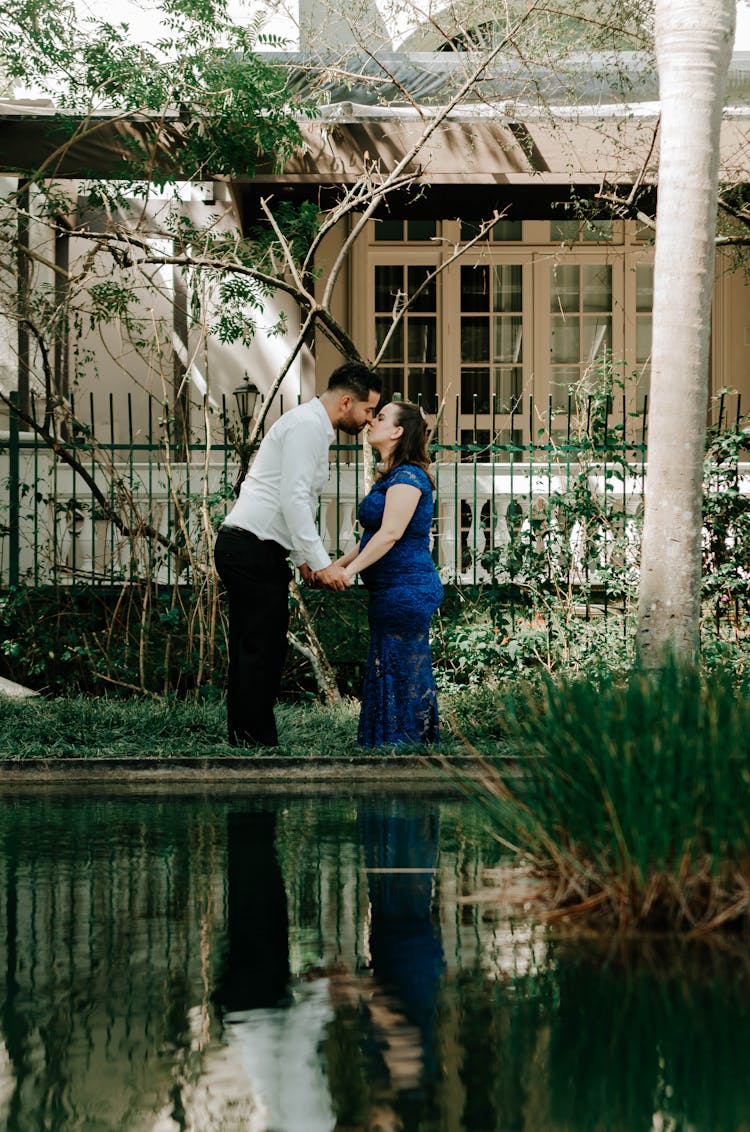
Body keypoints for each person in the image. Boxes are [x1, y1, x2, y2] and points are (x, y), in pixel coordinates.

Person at [214, 362, 382, 747]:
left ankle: (248, 738)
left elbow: (296, 498)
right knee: (260, 647)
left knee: (259, 645)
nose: (368, 419)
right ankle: (254, 741)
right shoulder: (308, 427)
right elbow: (292, 499)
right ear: (345, 402)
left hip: (255, 546)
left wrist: (303, 558)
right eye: (368, 410)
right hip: (250, 546)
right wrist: (322, 564)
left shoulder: (313, 425)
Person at [332, 400, 443, 747]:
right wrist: (339, 564)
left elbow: (391, 533)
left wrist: (349, 571)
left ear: (397, 431)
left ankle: (409, 743)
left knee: (402, 667)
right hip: (390, 591)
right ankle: (390, 741)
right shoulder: (394, 476)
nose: (370, 423)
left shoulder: (409, 477)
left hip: (407, 588)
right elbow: (371, 539)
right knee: (389, 664)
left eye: (379, 418)